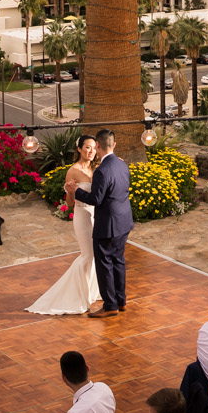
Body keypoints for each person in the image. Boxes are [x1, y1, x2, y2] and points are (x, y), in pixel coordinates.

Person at [29, 134, 102, 315]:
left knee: (96, 255)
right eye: (87, 147)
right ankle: (74, 296)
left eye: (94, 147)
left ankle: (92, 291)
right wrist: (71, 192)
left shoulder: (97, 168)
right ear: (79, 149)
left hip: (98, 216)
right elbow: (69, 203)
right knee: (87, 255)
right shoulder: (73, 171)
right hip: (83, 216)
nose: (91, 151)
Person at [74, 128, 133, 317]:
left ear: (98, 145)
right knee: (118, 261)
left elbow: (95, 199)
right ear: (114, 144)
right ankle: (121, 301)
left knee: (105, 264)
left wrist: (76, 190)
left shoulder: (102, 171)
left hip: (107, 225)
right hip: (124, 222)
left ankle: (110, 306)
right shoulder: (123, 165)